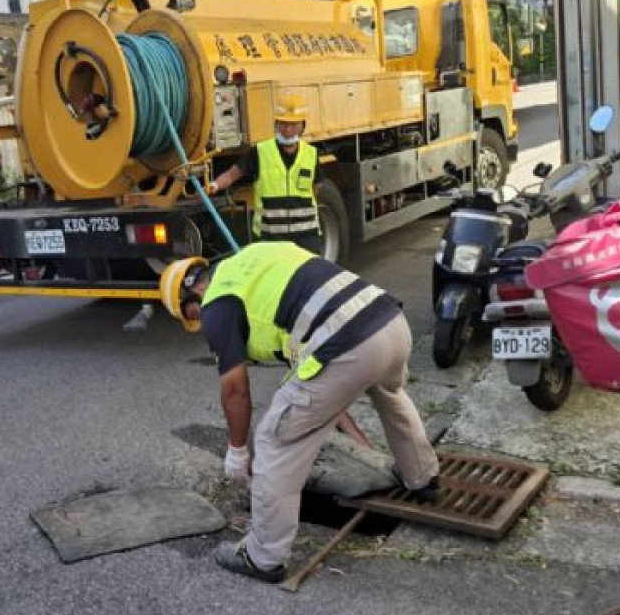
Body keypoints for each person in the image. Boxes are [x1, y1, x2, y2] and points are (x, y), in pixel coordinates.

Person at [159, 244, 441, 583]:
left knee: (275, 440)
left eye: (192, 315)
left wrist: (237, 451)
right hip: (389, 323)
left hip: (346, 346)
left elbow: (235, 389)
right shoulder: (253, 260)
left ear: (194, 292)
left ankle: (262, 557)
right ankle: (422, 477)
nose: (200, 322)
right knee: (389, 392)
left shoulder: (218, 302)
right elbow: (318, 364)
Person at [206, 93, 324, 255]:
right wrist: (215, 185)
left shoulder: (311, 154)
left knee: (307, 279)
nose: (288, 130)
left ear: (302, 126)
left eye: (293, 125)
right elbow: (233, 174)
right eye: (283, 124)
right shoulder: (260, 152)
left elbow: (316, 188)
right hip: (270, 238)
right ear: (276, 124)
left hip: (306, 238)